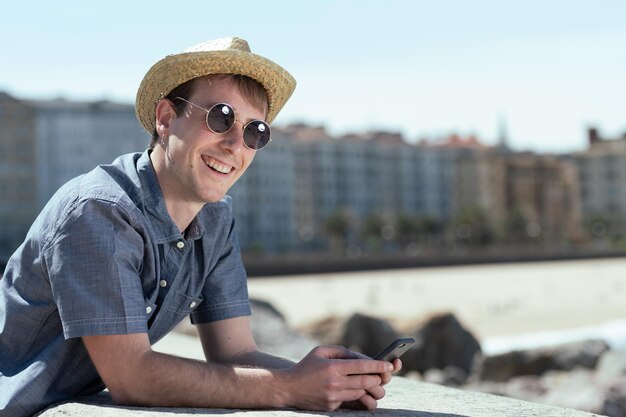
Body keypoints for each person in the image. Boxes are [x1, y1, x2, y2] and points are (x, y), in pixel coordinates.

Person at [0, 37, 401, 417]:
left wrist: (327, 381)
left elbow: (236, 355)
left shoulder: (215, 219)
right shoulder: (98, 212)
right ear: (165, 117)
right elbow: (130, 377)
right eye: (221, 117)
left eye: (254, 132)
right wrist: (289, 388)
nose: (235, 145)